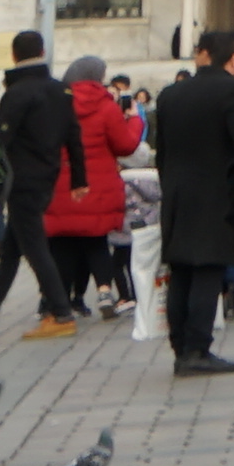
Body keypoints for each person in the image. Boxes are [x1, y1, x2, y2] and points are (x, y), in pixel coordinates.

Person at [148, 30, 234, 376]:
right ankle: (198, 348)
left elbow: (162, 152)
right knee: (208, 270)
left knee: (181, 270)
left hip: (177, 194)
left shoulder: (172, 93)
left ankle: (181, 347)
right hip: (216, 195)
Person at [0, 45, 87, 339]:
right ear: (42, 51)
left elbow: (0, 139)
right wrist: (79, 179)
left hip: (21, 180)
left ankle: (61, 313)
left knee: (35, 247)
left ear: (14, 55)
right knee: (11, 252)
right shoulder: (61, 90)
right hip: (47, 176)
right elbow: (73, 134)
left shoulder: (17, 93)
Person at [55, 55, 144, 314]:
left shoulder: (58, 104)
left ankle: (59, 301)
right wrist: (134, 120)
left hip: (63, 185)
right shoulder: (106, 107)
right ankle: (104, 291)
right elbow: (125, 145)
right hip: (98, 188)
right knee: (96, 242)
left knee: (65, 246)